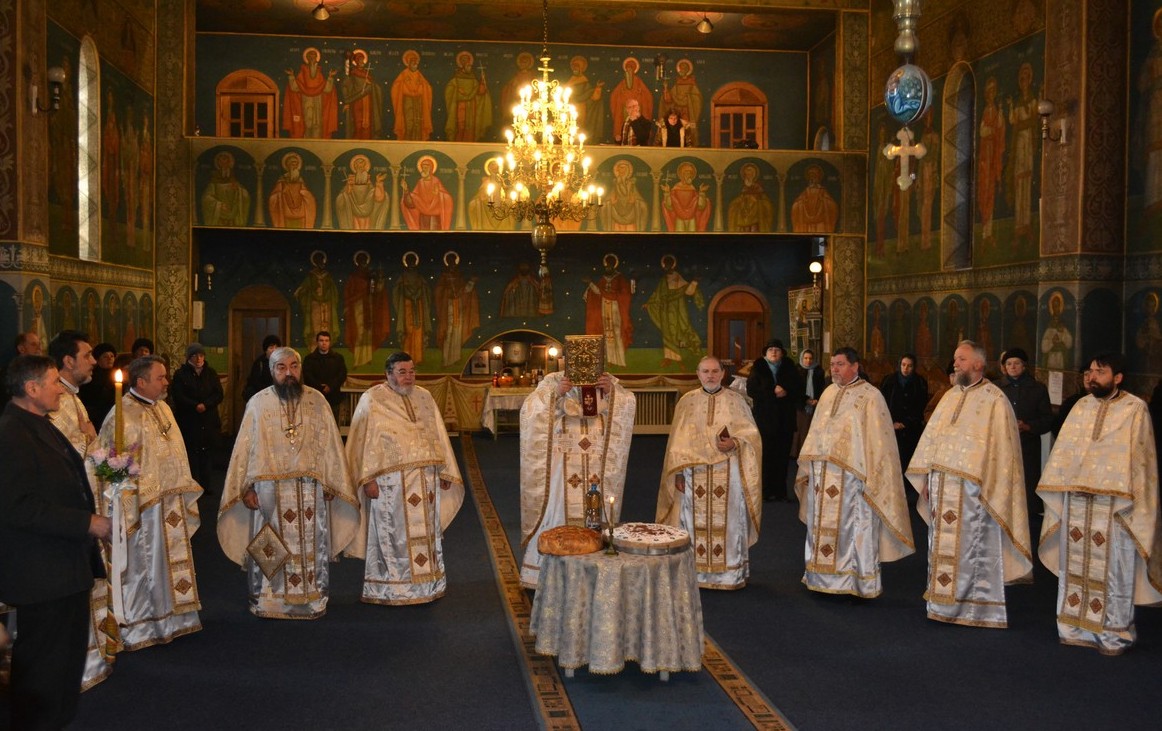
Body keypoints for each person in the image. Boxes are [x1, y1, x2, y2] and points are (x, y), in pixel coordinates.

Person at [0, 355, 111, 730]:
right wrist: (87, 522)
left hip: (65, 566)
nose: (60, 390)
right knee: (43, 662)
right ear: (31, 389)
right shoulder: (11, 434)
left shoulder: (39, 424)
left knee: (64, 659)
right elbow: (18, 507)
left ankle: (56, 721)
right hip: (41, 571)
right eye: (53, 383)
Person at [218, 347, 359, 620]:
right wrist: (247, 487)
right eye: (281, 367)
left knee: (310, 542)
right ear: (272, 371)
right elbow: (245, 450)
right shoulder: (258, 403)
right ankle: (269, 600)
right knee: (270, 541)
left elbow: (330, 444)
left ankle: (311, 598)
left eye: (294, 366)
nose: (289, 373)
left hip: (310, 489)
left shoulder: (317, 401)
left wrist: (330, 482)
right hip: (269, 490)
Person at [1037, 352, 1162, 654]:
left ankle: (1113, 632)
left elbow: (1141, 461)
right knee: (1075, 563)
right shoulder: (1080, 407)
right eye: (1090, 371)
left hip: (1115, 507)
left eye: (1100, 372)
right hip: (1077, 502)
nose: (1092, 377)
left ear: (1117, 377)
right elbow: (1064, 451)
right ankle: (1074, 626)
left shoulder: (1135, 409)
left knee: (1114, 567)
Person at [907, 340, 1032, 628]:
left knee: (970, 549)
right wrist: (926, 476)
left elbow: (1003, 455)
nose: (955, 363)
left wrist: (991, 487)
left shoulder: (995, 400)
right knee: (940, 546)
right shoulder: (949, 397)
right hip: (941, 487)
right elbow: (931, 441)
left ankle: (975, 607)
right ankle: (940, 602)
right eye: (955, 358)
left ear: (978, 363)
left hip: (974, 492)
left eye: (961, 359)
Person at [97, 355, 203, 649]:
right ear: (141, 382)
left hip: (170, 500)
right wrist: (122, 490)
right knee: (146, 564)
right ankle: (144, 624)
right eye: (161, 377)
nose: (167, 382)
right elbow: (107, 464)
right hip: (143, 508)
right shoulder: (122, 415)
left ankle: (176, 618)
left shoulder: (164, 408)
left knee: (169, 562)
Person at [345, 352, 465, 605]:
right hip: (390, 483)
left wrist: (445, 470)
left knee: (426, 533)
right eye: (402, 372)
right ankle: (391, 588)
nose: (409, 377)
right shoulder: (372, 399)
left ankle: (426, 585)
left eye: (412, 371)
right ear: (388, 374)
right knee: (394, 535)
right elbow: (361, 442)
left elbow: (438, 434)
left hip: (425, 480)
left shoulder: (424, 396)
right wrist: (368, 480)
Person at [795, 348, 914, 597]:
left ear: (855, 366)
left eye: (840, 364)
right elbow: (816, 432)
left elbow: (880, 442)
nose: (834, 369)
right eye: (832, 364)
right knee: (821, 527)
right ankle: (820, 576)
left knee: (853, 529)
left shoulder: (871, 396)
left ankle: (854, 582)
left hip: (853, 479)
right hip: (822, 476)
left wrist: (873, 476)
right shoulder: (828, 393)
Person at [46, 331, 118, 690]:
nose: (93, 361)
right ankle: (78, 662)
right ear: (68, 361)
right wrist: (95, 447)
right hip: (71, 514)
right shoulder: (57, 403)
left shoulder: (72, 398)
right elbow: (66, 461)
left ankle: (93, 651)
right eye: (87, 355)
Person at [519, 371, 635, 589]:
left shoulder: (606, 381)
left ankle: (595, 573)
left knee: (596, 514)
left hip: (597, 466)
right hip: (560, 469)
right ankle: (545, 573)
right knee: (557, 510)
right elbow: (530, 412)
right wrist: (556, 393)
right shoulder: (553, 381)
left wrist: (612, 393)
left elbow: (627, 407)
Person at [657, 356, 761, 589]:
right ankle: (695, 573)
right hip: (695, 473)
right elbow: (677, 442)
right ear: (698, 374)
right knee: (693, 522)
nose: (710, 376)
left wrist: (735, 442)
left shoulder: (737, 401)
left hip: (729, 472)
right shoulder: (687, 401)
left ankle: (729, 573)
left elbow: (752, 436)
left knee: (730, 521)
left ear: (723, 373)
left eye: (715, 371)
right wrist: (679, 473)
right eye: (705, 371)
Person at [994, 347, 1052, 520]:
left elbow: (1047, 420)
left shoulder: (1038, 389)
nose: (1013, 367)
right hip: (1001, 445)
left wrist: (1027, 426)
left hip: (1028, 446)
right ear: (1004, 367)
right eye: (1009, 364)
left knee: (1026, 486)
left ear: (1024, 365)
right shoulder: (996, 388)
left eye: (1017, 363)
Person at [747, 339, 803, 502]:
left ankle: (780, 492)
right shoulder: (758, 367)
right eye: (770, 349)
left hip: (785, 420)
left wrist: (787, 391)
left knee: (782, 457)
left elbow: (799, 389)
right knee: (766, 456)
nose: (774, 352)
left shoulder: (790, 367)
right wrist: (772, 392)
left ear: (782, 353)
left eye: (777, 350)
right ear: (765, 353)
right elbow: (751, 390)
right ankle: (765, 491)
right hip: (765, 419)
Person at [170, 343, 223, 488]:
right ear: (189, 357)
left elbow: (218, 394)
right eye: (195, 356)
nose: (199, 359)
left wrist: (206, 404)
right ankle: (193, 484)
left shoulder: (210, 373)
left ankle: (207, 484)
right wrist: (195, 405)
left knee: (207, 452)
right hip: (189, 419)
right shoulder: (181, 374)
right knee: (191, 453)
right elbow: (178, 395)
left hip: (208, 419)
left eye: (201, 355)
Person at [644, 255, 705, 367]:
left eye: (668, 265)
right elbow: (657, 294)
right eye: (665, 265)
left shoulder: (677, 277)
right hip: (665, 310)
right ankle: (668, 357)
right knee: (666, 332)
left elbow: (687, 291)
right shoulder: (663, 279)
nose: (666, 267)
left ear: (672, 265)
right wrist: (649, 303)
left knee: (675, 331)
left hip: (676, 309)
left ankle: (679, 359)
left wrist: (694, 282)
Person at [879, 353, 929, 480]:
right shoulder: (889, 381)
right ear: (899, 365)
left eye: (909, 366)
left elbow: (921, 407)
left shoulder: (920, 383)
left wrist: (905, 423)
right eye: (903, 365)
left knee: (908, 463)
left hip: (911, 429)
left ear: (914, 367)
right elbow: (882, 404)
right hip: (891, 427)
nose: (906, 368)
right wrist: (891, 423)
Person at [583, 254, 634, 368]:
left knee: (617, 333)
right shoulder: (603, 279)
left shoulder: (620, 278)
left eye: (610, 266)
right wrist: (590, 283)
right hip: (604, 308)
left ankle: (620, 361)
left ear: (613, 266)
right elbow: (598, 291)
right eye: (606, 266)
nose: (607, 268)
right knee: (607, 334)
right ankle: (610, 360)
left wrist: (612, 295)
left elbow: (625, 294)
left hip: (615, 308)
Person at [282, 47, 339, 139]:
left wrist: (330, 77)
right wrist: (291, 76)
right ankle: (306, 143)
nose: (312, 58)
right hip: (306, 100)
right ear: (307, 58)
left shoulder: (319, 72)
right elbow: (294, 87)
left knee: (317, 123)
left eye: (314, 56)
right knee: (307, 123)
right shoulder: (303, 71)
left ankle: (317, 144)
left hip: (318, 101)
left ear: (317, 58)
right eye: (310, 56)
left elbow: (327, 89)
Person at [444, 51, 492, 142]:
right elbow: (449, 92)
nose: (468, 65)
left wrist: (482, 87)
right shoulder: (455, 80)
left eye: (468, 62)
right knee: (460, 124)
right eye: (464, 61)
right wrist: (457, 92)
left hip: (472, 107)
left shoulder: (474, 80)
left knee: (471, 126)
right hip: (460, 106)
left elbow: (480, 93)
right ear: (461, 64)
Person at [302, 331, 348, 422]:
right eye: (321, 340)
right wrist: (320, 387)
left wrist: (330, 386)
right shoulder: (309, 359)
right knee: (316, 423)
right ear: (317, 342)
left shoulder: (338, 358)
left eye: (326, 340)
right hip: (315, 397)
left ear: (329, 342)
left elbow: (342, 375)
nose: (324, 343)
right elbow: (307, 375)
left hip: (333, 396)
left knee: (333, 423)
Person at [334, 154, 389, 229]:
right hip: (354, 216)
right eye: (358, 165)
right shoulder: (351, 181)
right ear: (355, 167)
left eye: (362, 165)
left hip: (368, 216)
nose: (360, 167)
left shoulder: (369, 184)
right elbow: (341, 200)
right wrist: (347, 190)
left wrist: (378, 183)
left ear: (365, 166)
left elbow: (379, 198)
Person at [401, 155, 454, 231]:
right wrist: (406, 190)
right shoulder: (420, 182)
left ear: (431, 169)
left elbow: (447, 198)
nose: (424, 170)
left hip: (435, 216)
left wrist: (438, 194)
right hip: (423, 216)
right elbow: (412, 202)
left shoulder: (436, 181)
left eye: (426, 168)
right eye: (423, 168)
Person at [390, 50, 434, 141]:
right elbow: (396, 87)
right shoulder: (403, 74)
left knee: (418, 122)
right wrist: (406, 88)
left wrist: (422, 87)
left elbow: (427, 87)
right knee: (409, 122)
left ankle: (418, 141)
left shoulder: (419, 75)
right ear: (408, 63)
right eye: (412, 62)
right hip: (408, 101)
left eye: (416, 63)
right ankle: (407, 141)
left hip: (419, 101)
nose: (415, 65)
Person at [200, 150, 251, 226]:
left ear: (230, 162)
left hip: (233, 215)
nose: (223, 164)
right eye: (221, 161)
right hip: (220, 214)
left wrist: (238, 190)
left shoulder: (234, 180)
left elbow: (245, 196)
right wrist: (219, 205)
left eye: (225, 161)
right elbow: (206, 198)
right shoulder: (214, 182)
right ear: (218, 164)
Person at [340, 49, 382, 140]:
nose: (361, 62)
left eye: (362, 60)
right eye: (359, 60)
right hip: (357, 100)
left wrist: (371, 85)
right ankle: (357, 140)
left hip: (368, 100)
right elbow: (346, 86)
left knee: (368, 123)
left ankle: (367, 140)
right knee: (358, 123)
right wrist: (347, 99)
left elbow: (374, 87)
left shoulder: (367, 74)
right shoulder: (353, 74)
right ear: (356, 62)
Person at [268, 151, 317, 229]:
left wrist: (304, 193)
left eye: (296, 164)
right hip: (285, 209)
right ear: (288, 165)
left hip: (301, 210)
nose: (294, 166)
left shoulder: (300, 180)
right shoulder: (282, 179)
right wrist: (283, 192)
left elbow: (305, 191)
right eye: (292, 164)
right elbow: (275, 195)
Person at [610, 57, 652, 143]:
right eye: (629, 107)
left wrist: (640, 95)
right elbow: (614, 96)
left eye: (634, 106)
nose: (629, 71)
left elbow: (647, 96)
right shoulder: (622, 83)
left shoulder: (639, 82)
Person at [661, 161, 712, 232]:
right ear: (682, 175)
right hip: (679, 218)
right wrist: (667, 192)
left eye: (690, 173)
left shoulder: (693, 189)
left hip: (692, 218)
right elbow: (669, 206)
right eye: (687, 173)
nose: (689, 176)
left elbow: (701, 206)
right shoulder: (676, 188)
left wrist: (702, 192)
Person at [79, 342, 117, 435]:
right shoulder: (91, 377)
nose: (109, 359)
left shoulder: (117, 374)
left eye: (112, 356)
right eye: (105, 356)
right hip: (97, 418)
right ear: (98, 360)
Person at [0, 332, 45, 407]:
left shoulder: (43, 370)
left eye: (39, 345)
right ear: (21, 349)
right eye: (33, 344)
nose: (39, 349)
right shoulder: (9, 372)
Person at [242, 335, 282, 403]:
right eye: (271, 347)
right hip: (262, 397)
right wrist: (268, 392)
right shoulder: (259, 362)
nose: (274, 350)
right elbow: (255, 382)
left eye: (276, 347)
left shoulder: (282, 362)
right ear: (266, 350)